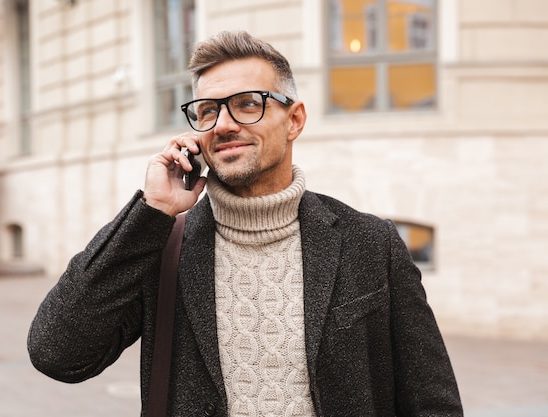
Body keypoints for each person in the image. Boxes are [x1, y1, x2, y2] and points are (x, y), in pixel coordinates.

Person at [28, 31, 463, 416]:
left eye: (248, 104)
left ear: (294, 120)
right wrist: (151, 210)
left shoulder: (369, 243)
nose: (224, 124)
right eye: (206, 111)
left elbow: (432, 402)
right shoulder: (161, 246)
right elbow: (57, 353)